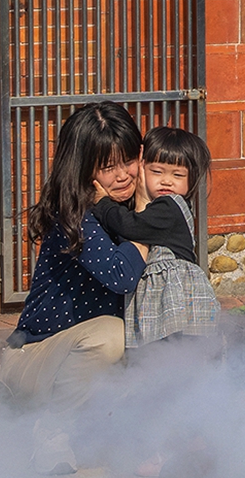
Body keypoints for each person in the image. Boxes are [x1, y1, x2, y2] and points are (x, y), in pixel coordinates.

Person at [3, 102, 148, 474]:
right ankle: (49, 428)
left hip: (83, 367)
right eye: (106, 166)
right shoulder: (74, 216)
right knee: (111, 335)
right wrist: (148, 236)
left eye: (128, 160)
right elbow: (120, 275)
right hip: (34, 359)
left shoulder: (130, 211)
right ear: (82, 170)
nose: (122, 176)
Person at [91, 125, 221, 350]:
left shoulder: (169, 207)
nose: (166, 181)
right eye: (157, 172)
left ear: (192, 180)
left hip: (176, 300)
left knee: (175, 353)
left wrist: (102, 204)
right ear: (142, 169)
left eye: (177, 175)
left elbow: (129, 226)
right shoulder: (157, 208)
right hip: (165, 300)